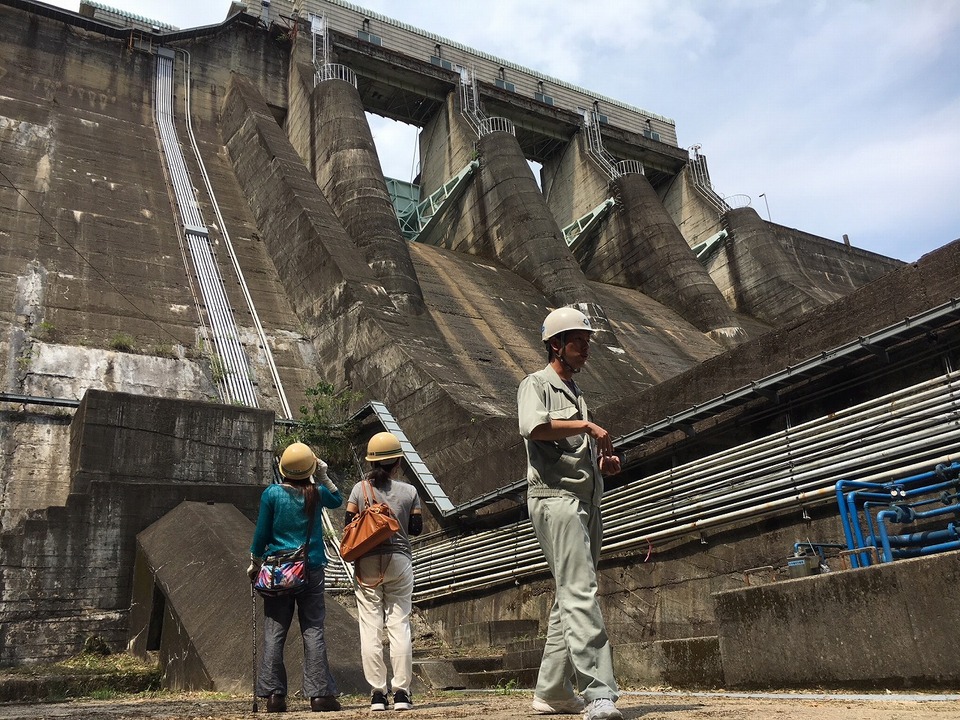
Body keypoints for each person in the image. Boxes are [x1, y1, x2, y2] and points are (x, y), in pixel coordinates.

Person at [517, 307, 623, 720]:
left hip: (586, 500)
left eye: (587, 341)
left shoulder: (576, 394)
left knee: (570, 594)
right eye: (579, 341)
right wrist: (586, 427)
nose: (586, 348)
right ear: (555, 344)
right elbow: (533, 427)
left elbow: (575, 451)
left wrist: (604, 466)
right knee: (581, 591)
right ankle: (599, 692)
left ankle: (553, 691)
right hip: (555, 499)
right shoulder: (536, 385)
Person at [248, 442, 344, 713]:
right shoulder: (316, 492)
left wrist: (255, 563)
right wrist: (324, 475)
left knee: (274, 631)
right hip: (310, 569)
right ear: (310, 469)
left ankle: (274, 695)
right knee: (313, 629)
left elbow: (261, 534)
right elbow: (337, 500)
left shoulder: (272, 494)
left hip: (279, 571)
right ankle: (320, 695)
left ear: (283, 469)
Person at [344, 431, 423, 712]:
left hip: (367, 563)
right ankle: (402, 693)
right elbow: (415, 529)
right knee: (399, 624)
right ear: (397, 463)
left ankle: (378, 694)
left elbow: (349, 525)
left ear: (371, 462)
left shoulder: (358, 489)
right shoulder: (409, 491)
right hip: (399, 561)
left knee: (370, 627)